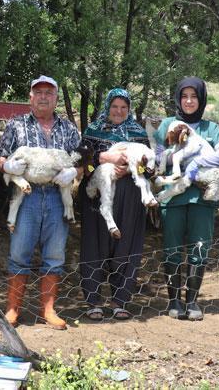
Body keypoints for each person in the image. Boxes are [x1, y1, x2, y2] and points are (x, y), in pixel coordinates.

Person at [0, 75, 81, 330]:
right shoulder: (16, 125)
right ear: (30, 97)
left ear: (56, 98)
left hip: (57, 195)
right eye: (38, 92)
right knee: (19, 253)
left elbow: (80, 161)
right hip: (26, 196)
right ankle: (13, 309)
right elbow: (0, 159)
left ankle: (49, 310)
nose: (43, 96)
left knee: (55, 255)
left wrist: (75, 172)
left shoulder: (67, 128)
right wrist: (7, 165)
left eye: (49, 92)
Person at [154, 77, 219, 321]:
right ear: (178, 98)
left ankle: (193, 301)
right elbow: (157, 155)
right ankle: (174, 300)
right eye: (184, 96)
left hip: (202, 199)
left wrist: (195, 165)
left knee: (200, 246)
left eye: (194, 97)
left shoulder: (211, 129)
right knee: (172, 247)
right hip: (173, 198)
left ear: (201, 99)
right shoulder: (167, 124)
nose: (189, 101)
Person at [79, 88, 149, 321]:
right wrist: (104, 159)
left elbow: (147, 167)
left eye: (123, 108)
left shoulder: (138, 133)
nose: (118, 112)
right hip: (98, 194)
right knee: (94, 244)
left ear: (129, 110)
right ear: (107, 107)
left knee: (126, 245)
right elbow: (83, 162)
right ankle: (93, 300)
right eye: (114, 107)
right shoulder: (92, 131)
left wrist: (130, 168)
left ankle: (120, 300)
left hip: (130, 196)